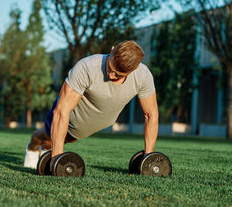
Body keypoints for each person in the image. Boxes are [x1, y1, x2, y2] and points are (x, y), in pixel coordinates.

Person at [24, 40, 159, 169]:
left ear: (134, 69)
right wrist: (56, 160)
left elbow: (151, 115)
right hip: (70, 117)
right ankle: (32, 147)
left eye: (118, 75)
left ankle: (46, 149)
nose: (111, 76)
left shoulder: (143, 76)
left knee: (59, 142)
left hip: (88, 125)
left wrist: (148, 158)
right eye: (110, 69)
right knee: (46, 138)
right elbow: (61, 112)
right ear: (111, 51)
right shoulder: (86, 68)